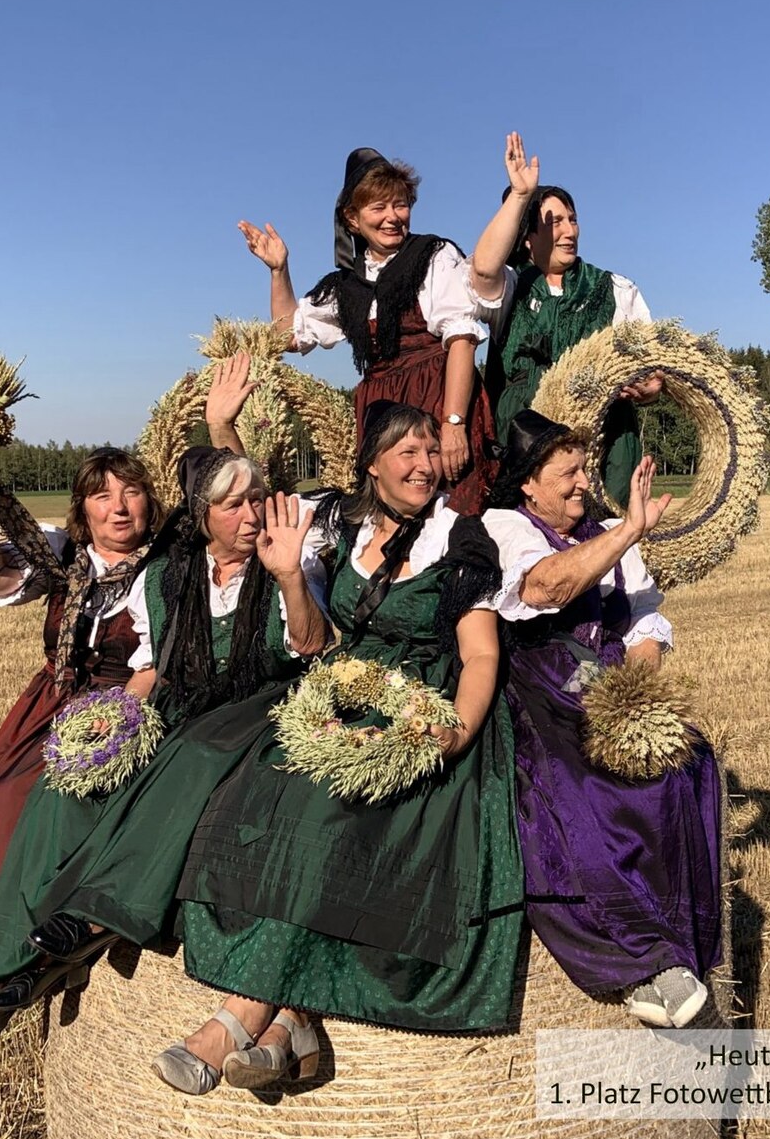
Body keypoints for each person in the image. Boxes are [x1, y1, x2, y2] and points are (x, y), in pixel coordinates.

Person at [0, 359, 252, 1060]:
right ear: (81, 509)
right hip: (51, 706)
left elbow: (243, 507)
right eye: (102, 496)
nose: (119, 507)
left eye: (133, 493)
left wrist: (222, 428)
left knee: (25, 805)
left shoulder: (173, 562)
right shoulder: (64, 559)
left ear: (151, 502)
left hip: (128, 707)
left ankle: (0, 977)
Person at [151, 401, 520, 1096]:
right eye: (404, 452)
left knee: (335, 816)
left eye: (427, 451)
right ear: (371, 464)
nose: (421, 464)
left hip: (426, 708)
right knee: (265, 789)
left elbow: (478, 658)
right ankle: (293, 1024)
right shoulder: (337, 529)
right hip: (344, 693)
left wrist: (452, 736)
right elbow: (314, 635)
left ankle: (239, 1016)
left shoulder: (460, 540)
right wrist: (289, 573)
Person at [0, 441, 330, 1055]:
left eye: (256, 501)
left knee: (196, 755)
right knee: (65, 780)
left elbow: (311, 646)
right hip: (158, 700)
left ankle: (101, 914)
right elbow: (153, 666)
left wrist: (287, 573)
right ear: (202, 514)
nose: (250, 516)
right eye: (232, 505)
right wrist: (117, 718)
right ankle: (3, 962)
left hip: (258, 708)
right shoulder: (164, 574)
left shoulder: (287, 560)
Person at [481, 409, 721, 1027]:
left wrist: (637, 702)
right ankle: (640, 952)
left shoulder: (608, 529)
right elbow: (545, 589)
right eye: (569, 472)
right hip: (543, 685)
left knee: (684, 762)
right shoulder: (503, 525)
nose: (584, 482)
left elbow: (643, 623)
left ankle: (683, 949)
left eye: (585, 468)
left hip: (607, 681)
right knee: (581, 787)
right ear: (529, 484)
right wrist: (629, 531)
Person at [239, 149, 496, 512]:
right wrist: (279, 271)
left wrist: (454, 423)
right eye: (379, 208)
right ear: (352, 218)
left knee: (453, 508)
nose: (393, 217)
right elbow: (288, 337)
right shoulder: (346, 285)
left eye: (401, 205)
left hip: (438, 396)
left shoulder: (433, 256)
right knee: (391, 516)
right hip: (381, 413)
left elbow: (461, 338)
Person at [470, 133, 663, 507]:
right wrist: (521, 196)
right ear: (527, 236)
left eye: (573, 219)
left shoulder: (614, 289)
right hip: (526, 448)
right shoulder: (510, 288)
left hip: (605, 450)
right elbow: (481, 269)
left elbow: (654, 368)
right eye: (554, 221)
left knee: (605, 546)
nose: (570, 231)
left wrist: (652, 389)